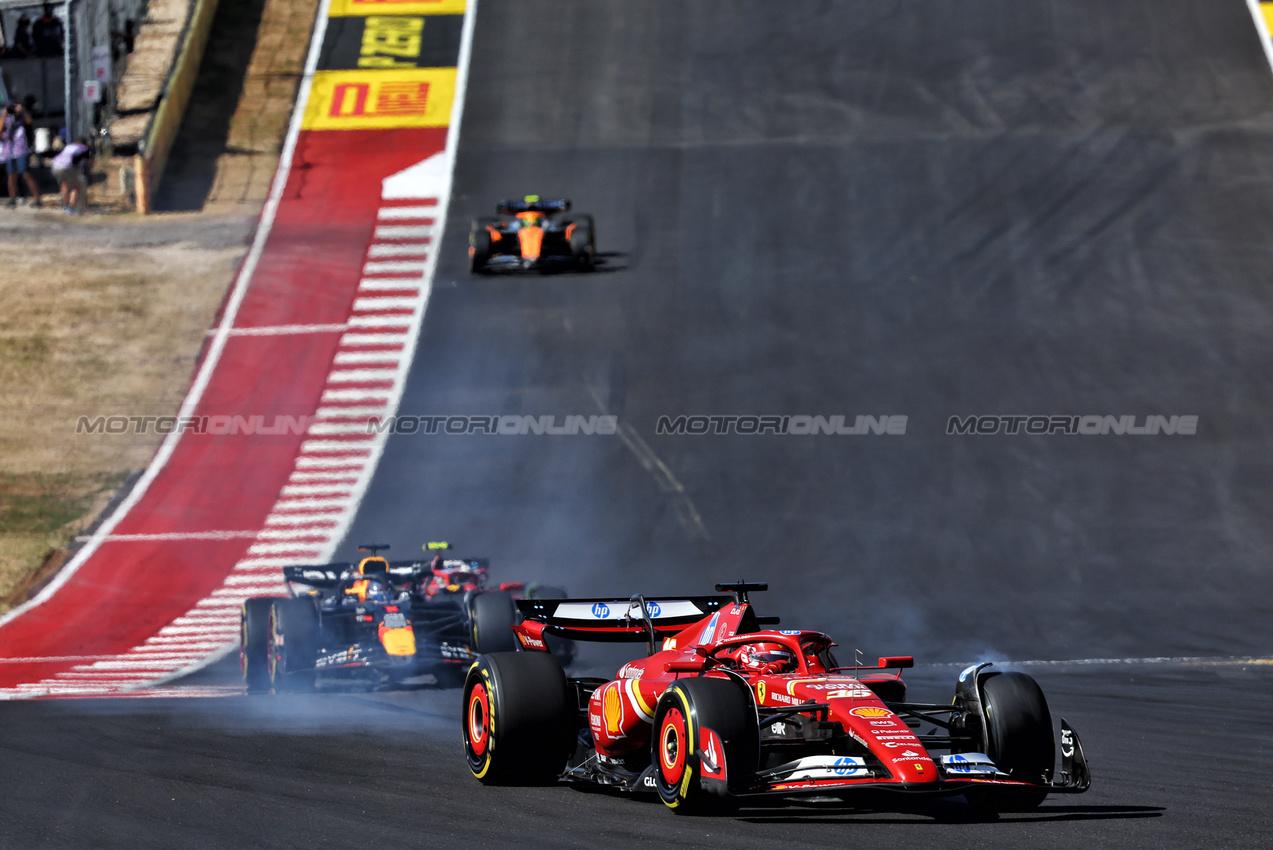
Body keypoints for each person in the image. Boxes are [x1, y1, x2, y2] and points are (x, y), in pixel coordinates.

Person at [1, 104, 41, 208]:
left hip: (21, 150)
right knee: (11, 176)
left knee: (26, 174)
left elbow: (29, 121)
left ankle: (37, 199)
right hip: (9, 151)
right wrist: (5, 114)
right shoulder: (6, 119)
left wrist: (23, 110)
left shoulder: (22, 118)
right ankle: (12, 199)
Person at [51, 136, 91, 214]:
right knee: (76, 186)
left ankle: (65, 206)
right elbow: (79, 166)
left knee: (65, 184)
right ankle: (71, 207)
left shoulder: (69, 146)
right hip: (67, 166)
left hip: (55, 165)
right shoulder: (84, 149)